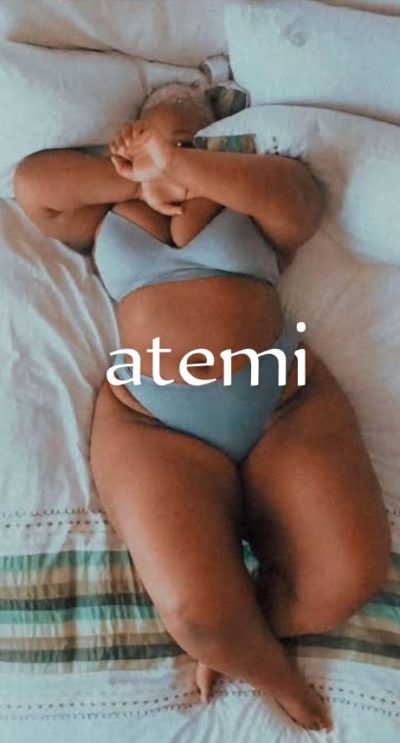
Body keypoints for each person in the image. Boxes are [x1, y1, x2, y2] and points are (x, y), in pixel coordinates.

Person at [14, 83, 390, 732]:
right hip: (153, 424)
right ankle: (266, 668)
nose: (169, 142)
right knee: (194, 616)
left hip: (283, 404)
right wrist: (140, 177)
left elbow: (301, 200)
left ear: (217, 137)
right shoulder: (104, 213)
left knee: (345, 580)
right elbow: (33, 186)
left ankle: (245, 630)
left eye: (190, 134)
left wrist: (182, 164)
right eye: (149, 134)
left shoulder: (247, 194)